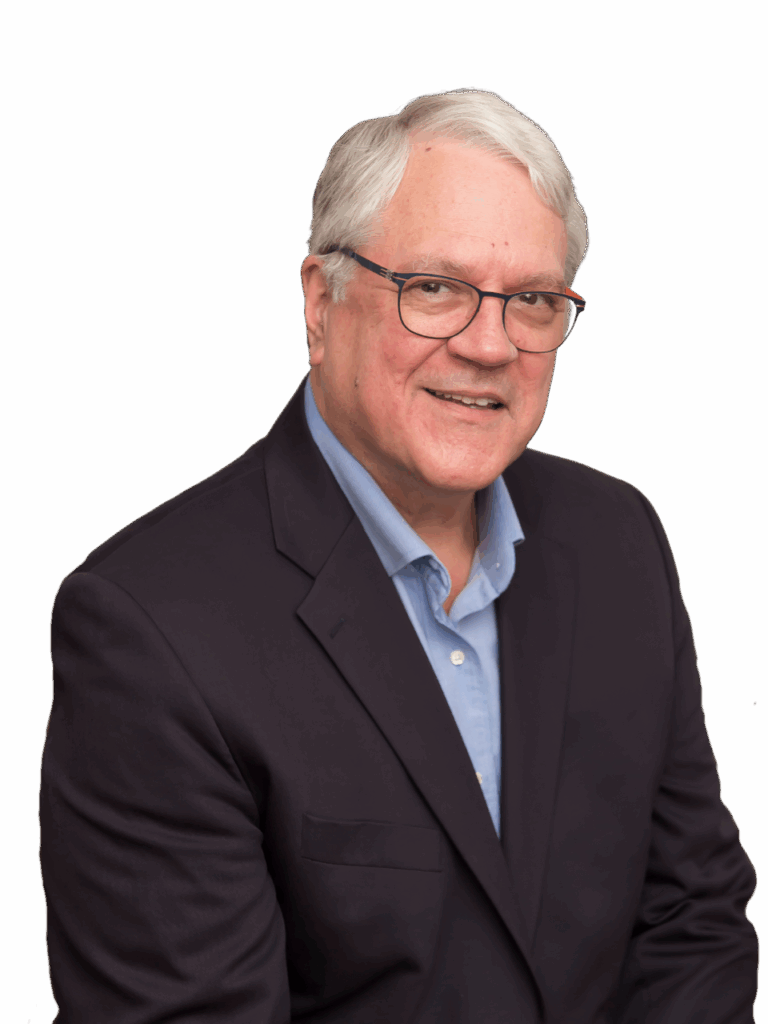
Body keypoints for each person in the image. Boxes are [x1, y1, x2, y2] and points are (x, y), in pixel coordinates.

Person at [39, 89, 758, 1023]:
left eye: (533, 301)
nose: (490, 344)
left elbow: (692, 923)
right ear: (320, 302)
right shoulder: (150, 629)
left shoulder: (619, 543)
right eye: (435, 289)